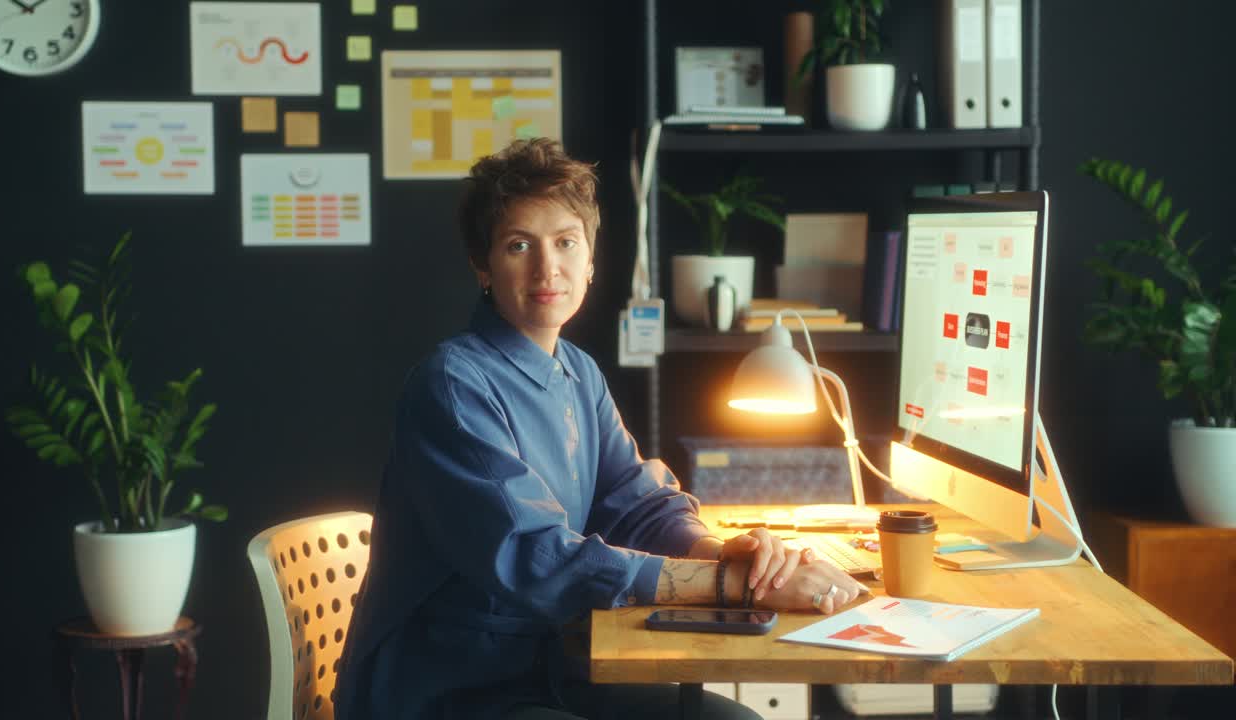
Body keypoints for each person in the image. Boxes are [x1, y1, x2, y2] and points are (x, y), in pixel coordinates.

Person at [335, 138, 863, 720]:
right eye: (519, 245)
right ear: (482, 266)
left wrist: (722, 553)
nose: (548, 267)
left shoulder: (576, 371)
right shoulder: (453, 386)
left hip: (550, 665)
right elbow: (535, 557)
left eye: (566, 242)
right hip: (450, 687)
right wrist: (727, 586)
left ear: (589, 259)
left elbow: (636, 505)